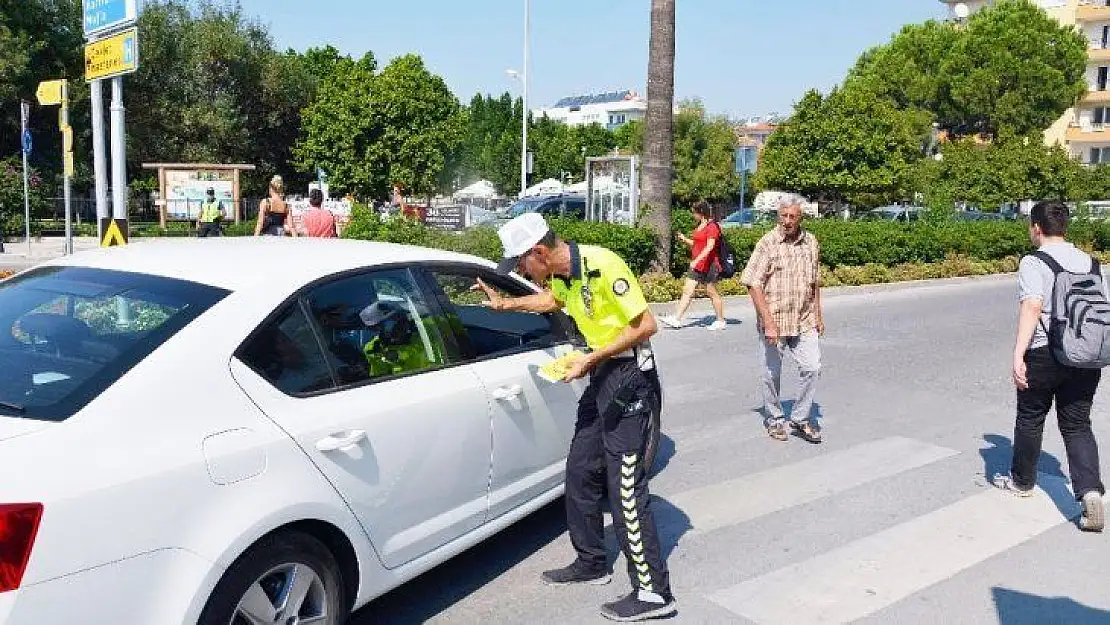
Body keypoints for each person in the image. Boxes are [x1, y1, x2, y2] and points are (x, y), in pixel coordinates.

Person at [472, 212, 676, 622]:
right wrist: (506, 304)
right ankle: (592, 561)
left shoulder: (604, 264)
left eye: (521, 265)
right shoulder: (562, 276)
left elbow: (646, 324)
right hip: (601, 372)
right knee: (581, 469)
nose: (522, 272)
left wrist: (591, 358)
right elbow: (553, 301)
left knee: (625, 488)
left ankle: (654, 593)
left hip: (629, 376)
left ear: (540, 253)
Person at [993, 200, 1105, 532]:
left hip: (1045, 353)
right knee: (1077, 425)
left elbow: (1032, 306)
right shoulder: (1091, 262)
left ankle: (1022, 482)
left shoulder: (1034, 261)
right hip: (1086, 355)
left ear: (1037, 228)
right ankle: (1089, 492)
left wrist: (1017, 354)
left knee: (1030, 417)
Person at [740, 196, 824, 444]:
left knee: (812, 367)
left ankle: (799, 418)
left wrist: (818, 315)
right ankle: (775, 419)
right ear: (778, 216)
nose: (787, 221)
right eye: (783, 216)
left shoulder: (811, 242)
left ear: (801, 218)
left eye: (792, 216)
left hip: (804, 319)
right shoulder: (768, 243)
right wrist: (768, 322)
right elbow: (752, 283)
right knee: (770, 374)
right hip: (774, 322)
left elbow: (815, 282)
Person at [659, 200, 726, 330]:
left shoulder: (712, 227)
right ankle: (676, 319)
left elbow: (709, 247)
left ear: (701, 212)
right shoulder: (700, 225)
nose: (693, 215)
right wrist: (685, 240)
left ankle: (721, 321)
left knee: (711, 292)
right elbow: (698, 245)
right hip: (699, 264)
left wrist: (697, 260)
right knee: (687, 290)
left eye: (694, 212)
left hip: (710, 265)